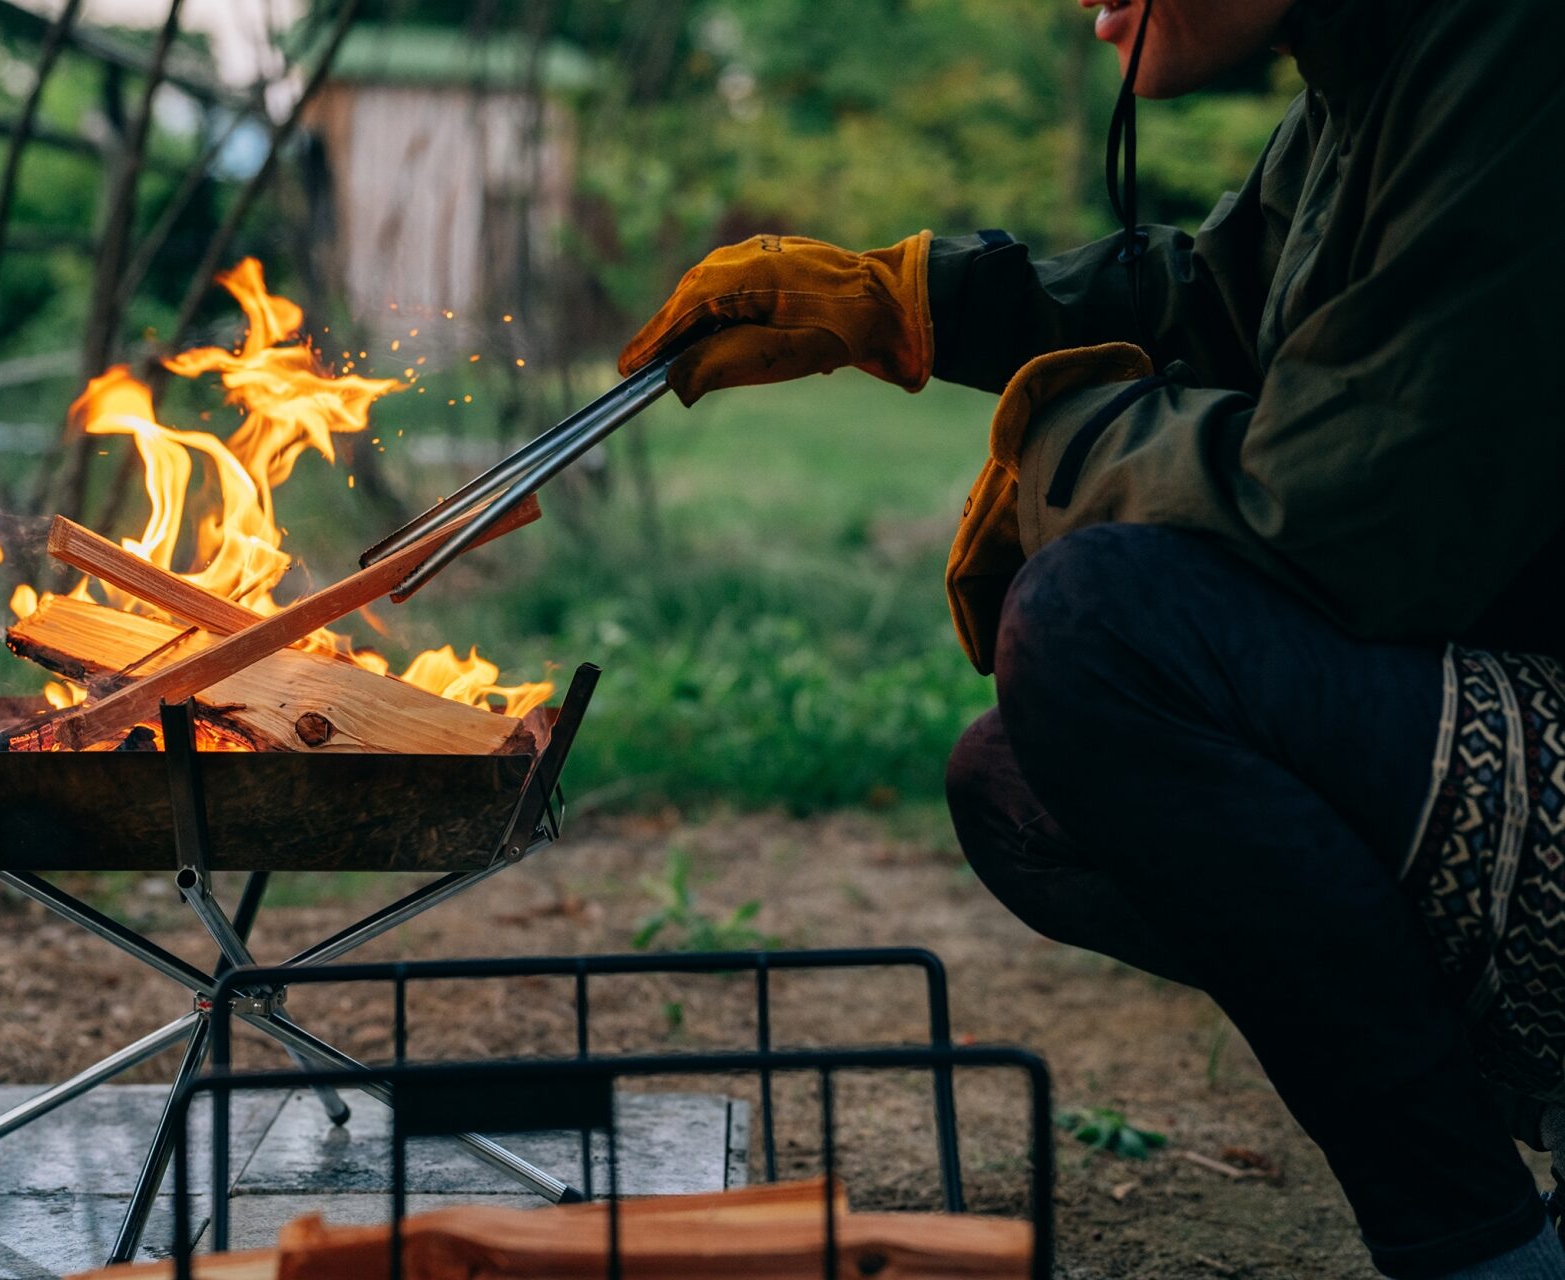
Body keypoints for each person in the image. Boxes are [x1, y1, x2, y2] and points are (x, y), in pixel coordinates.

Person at [617, 0, 1565, 1276]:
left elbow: (1343, 511)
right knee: (1013, 786)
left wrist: (1053, 446)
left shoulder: (1515, 48)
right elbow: (1205, 294)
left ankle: (1477, 1248)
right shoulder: (1369, 72)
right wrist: (902, 302)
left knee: (1098, 627)